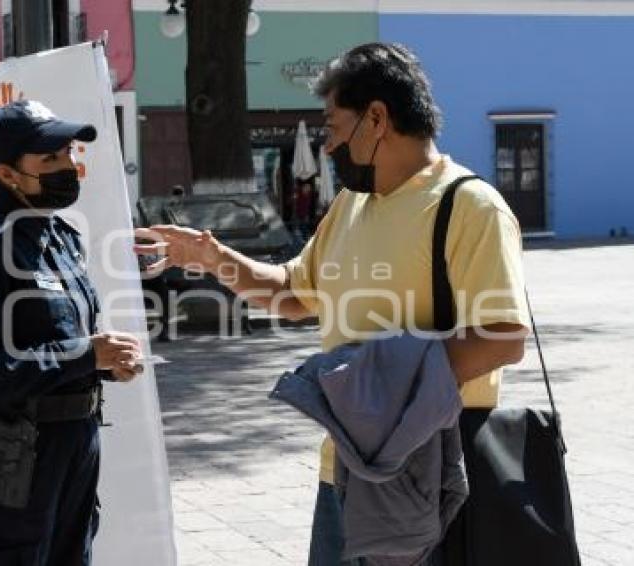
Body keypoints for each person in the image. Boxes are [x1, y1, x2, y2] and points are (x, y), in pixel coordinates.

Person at [134, 42, 530, 565]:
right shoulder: (350, 205)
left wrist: (386, 386)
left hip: (425, 475)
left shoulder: (469, 206)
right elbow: (293, 295)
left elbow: (504, 336)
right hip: (343, 471)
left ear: (377, 119)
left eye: (334, 128)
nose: (326, 146)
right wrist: (208, 256)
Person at [0, 100, 143, 566]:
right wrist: (86, 356)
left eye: (69, 154)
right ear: (8, 174)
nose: (68, 166)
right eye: (50, 159)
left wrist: (107, 364)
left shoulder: (63, 237)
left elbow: (60, 339)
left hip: (77, 441)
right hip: (18, 454)